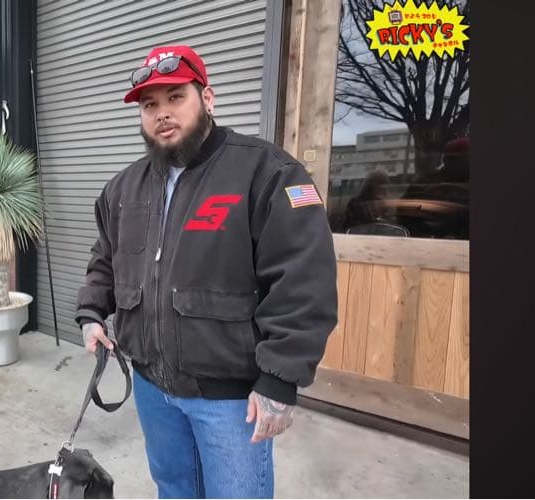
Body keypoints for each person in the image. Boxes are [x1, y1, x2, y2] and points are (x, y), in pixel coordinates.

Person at [76, 45, 338, 499]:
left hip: (229, 399)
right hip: (152, 386)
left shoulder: (267, 172)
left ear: (208, 98)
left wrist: (280, 378)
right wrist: (92, 314)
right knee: (174, 490)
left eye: (176, 97)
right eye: (149, 105)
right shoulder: (123, 187)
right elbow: (106, 257)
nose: (162, 113)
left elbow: (303, 280)